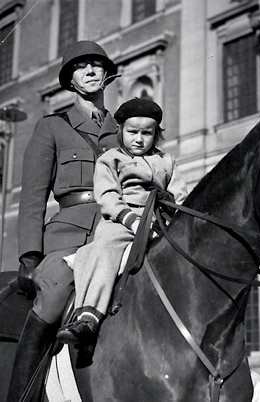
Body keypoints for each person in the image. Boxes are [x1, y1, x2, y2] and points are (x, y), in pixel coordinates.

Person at [7, 40, 119, 402]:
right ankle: (21, 393)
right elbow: (33, 196)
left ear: (106, 75)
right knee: (53, 294)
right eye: (81, 66)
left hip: (117, 228)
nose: (89, 71)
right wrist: (29, 255)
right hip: (68, 235)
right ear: (70, 79)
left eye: (96, 65)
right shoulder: (52, 127)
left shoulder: (127, 130)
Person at [56, 97, 188, 346]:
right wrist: (130, 220)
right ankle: (88, 315)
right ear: (121, 131)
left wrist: (174, 215)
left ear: (156, 135)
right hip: (121, 221)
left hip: (159, 219)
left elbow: (180, 195)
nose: (139, 139)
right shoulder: (110, 159)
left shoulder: (167, 161)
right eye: (132, 132)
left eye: (146, 133)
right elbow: (107, 196)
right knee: (103, 249)